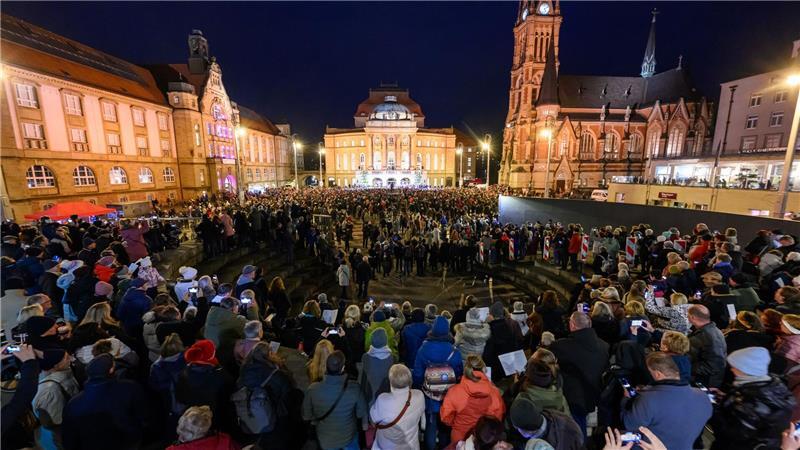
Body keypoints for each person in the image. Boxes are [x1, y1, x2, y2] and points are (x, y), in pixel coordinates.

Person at [620, 352, 712, 450]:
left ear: (657, 374)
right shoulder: (703, 396)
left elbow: (628, 424)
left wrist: (626, 399)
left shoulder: (648, 399)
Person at [710, 347, 797, 450]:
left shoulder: (754, 399)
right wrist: (726, 397)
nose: (731, 369)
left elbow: (731, 433)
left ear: (746, 369)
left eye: (735, 366)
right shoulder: (768, 385)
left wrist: (712, 409)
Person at [62, 353, 146, 450]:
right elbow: (143, 414)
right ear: (111, 370)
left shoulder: (73, 404)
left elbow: (69, 436)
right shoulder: (130, 387)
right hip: (128, 440)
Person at [549, 311, 609, 436]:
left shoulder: (560, 347)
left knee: (577, 432)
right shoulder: (605, 346)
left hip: (575, 399)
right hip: (598, 395)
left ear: (572, 325)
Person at [413, 316, 464, 450]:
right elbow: (459, 373)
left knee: (431, 424)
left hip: (430, 395)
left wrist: (420, 387)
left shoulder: (423, 349)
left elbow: (417, 374)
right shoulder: (454, 351)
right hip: (448, 396)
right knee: (445, 426)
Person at [302, 351, 367, 450]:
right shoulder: (354, 388)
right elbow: (360, 413)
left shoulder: (312, 389)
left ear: (326, 367)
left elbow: (306, 416)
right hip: (348, 438)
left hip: (324, 440)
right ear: (343, 368)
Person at [237, 342, 296, 450]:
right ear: (269, 354)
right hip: (274, 416)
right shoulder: (276, 374)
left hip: (250, 415)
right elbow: (288, 392)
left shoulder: (244, 370)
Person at [440, 355, 506, 443]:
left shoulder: (454, 391)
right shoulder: (494, 393)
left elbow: (445, 417)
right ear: (483, 369)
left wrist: (457, 424)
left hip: (459, 437)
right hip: (483, 438)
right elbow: (497, 418)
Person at [31, 349, 80, 450]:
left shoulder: (65, 371)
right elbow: (52, 421)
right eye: (66, 358)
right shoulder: (48, 391)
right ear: (55, 366)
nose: (70, 359)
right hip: (59, 436)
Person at [369, 364, 425, 450]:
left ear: (390, 382)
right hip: (411, 445)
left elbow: (373, 421)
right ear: (410, 380)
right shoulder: (419, 395)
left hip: (387, 446)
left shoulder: (383, 399)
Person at [508, 397, 583, 450]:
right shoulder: (550, 414)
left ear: (526, 432)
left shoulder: (561, 442)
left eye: (517, 428)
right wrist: (513, 446)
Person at [204, 296, 259, 368]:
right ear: (234, 308)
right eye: (237, 308)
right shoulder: (237, 320)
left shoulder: (211, 314)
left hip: (209, 352)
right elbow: (256, 329)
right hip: (226, 358)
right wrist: (252, 310)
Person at [687, 304, 727, 387]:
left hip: (704, 382)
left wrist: (686, 367)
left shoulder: (707, 336)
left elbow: (714, 365)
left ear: (693, 317)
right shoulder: (713, 330)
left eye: (688, 315)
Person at [166, 405, 240, 450]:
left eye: (188, 433)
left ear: (202, 432)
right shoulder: (227, 442)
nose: (180, 437)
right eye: (180, 430)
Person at [483, 301, 522, 382]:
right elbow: (515, 345)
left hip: (495, 370)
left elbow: (487, 354)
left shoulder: (490, 329)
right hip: (508, 367)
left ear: (492, 315)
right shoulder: (508, 326)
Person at [361, 328, 395, 409]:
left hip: (370, 393)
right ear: (385, 341)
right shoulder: (391, 357)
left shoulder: (365, 357)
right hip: (386, 393)